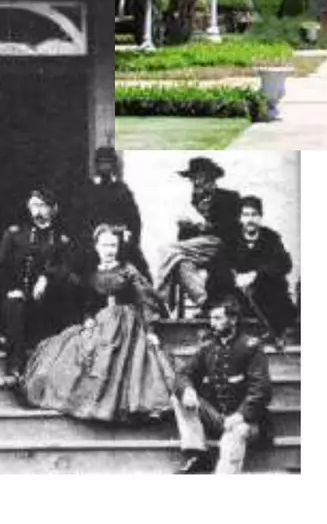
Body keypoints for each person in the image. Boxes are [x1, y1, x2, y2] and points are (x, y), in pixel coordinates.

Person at [22, 225, 192, 453]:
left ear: (119, 246)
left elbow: (145, 300)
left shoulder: (128, 270)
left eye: (113, 245)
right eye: (104, 245)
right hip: (101, 322)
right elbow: (89, 303)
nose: (109, 250)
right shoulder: (92, 273)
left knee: (127, 359)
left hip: (127, 321)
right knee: (79, 352)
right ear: (96, 247)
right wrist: (89, 318)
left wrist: (150, 329)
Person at [175, 295, 274, 475]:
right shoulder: (208, 348)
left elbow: (261, 391)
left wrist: (240, 415)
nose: (212, 324)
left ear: (233, 319)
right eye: (211, 318)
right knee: (178, 397)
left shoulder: (250, 347)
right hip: (217, 417)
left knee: (234, 436)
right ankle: (198, 452)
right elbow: (184, 374)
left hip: (248, 421)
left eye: (218, 318)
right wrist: (188, 390)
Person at [0, 187, 81, 380]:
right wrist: (12, 289)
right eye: (33, 205)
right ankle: (16, 369)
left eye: (42, 205)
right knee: (15, 305)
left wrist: (47, 277)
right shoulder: (15, 234)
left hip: (47, 302)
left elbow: (68, 268)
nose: (37, 210)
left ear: (53, 209)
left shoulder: (61, 239)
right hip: (18, 299)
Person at [154, 157, 245, 314]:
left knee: (165, 249)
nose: (195, 182)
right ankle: (206, 303)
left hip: (222, 247)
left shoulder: (229, 198)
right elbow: (183, 242)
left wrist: (202, 227)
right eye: (192, 179)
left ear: (211, 177)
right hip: (200, 249)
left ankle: (160, 303)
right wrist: (185, 227)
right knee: (180, 262)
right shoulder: (194, 201)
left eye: (199, 177)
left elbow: (231, 230)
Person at [207, 195, 298, 343]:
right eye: (246, 215)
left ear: (260, 217)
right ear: (240, 218)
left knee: (279, 300)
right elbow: (217, 266)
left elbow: (283, 263)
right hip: (240, 296)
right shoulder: (231, 239)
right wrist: (235, 279)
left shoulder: (271, 238)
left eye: (254, 215)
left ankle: (275, 335)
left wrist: (256, 274)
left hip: (266, 295)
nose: (250, 219)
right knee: (226, 306)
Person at [77, 145, 149, 277]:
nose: (105, 167)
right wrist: (92, 239)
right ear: (96, 165)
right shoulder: (86, 190)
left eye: (108, 163)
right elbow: (78, 221)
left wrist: (126, 238)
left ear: (114, 166)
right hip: (92, 244)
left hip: (119, 243)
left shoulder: (122, 190)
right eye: (102, 163)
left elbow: (134, 221)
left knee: (140, 271)